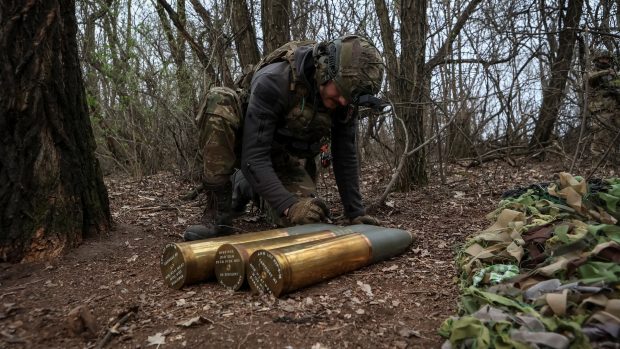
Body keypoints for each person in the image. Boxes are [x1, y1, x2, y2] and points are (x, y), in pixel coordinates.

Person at [184, 34, 386, 241]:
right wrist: (288, 206)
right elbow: (253, 157)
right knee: (219, 101)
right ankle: (218, 215)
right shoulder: (275, 79)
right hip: (245, 147)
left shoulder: (345, 101)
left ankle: (245, 185)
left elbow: (345, 155)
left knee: (308, 221)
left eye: (350, 98)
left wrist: (356, 213)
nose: (343, 101)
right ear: (326, 70)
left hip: (282, 158)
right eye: (341, 92)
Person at [588, 49, 620, 158]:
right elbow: (589, 78)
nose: (605, 61)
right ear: (597, 59)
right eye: (602, 58)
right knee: (600, 136)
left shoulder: (614, 74)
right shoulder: (593, 71)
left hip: (614, 108)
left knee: (615, 135)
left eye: (607, 59)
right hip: (600, 109)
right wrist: (606, 72)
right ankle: (597, 161)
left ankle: (613, 159)